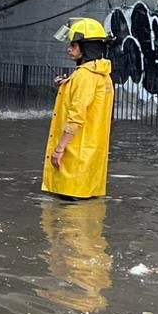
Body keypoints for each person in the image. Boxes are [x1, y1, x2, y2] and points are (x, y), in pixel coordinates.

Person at [43, 17, 114, 200]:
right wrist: (67, 85)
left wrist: (59, 149)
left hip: (74, 158)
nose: (69, 49)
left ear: (85, 48)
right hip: (90, 159)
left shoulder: (84, 76)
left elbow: (76, 116)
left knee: (66, 218)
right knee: (86, 213)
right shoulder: (103, 76)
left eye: (74, 45)